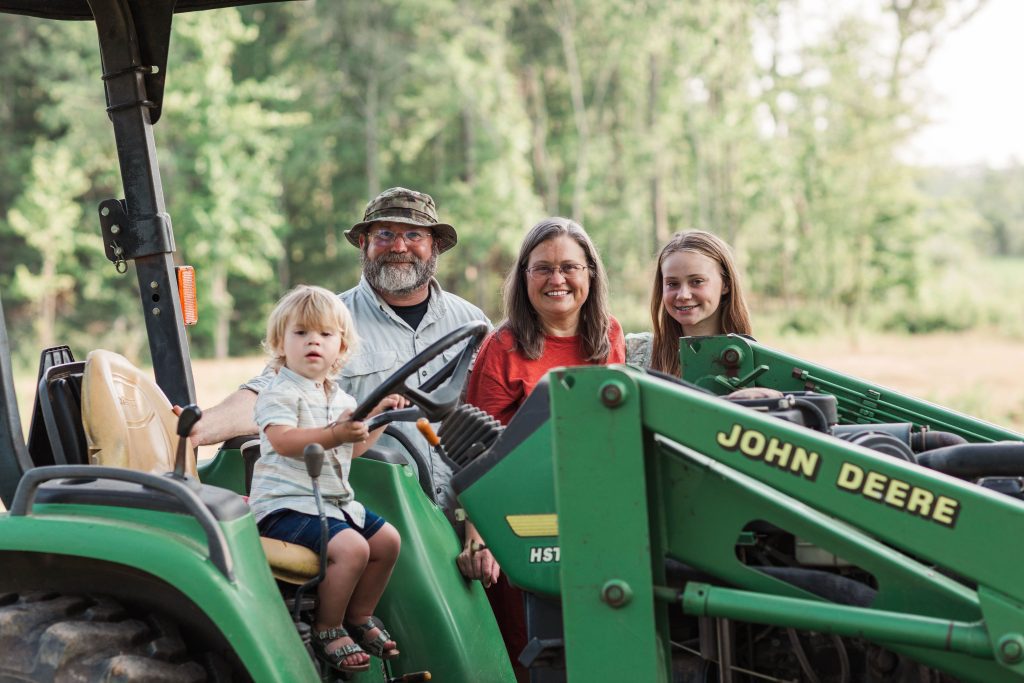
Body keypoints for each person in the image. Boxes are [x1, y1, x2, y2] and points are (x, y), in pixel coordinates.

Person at [187, 187, 490, 515]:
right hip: (384, 510)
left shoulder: (472, 322)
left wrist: (483, 521)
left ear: (435, 246)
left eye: (414, 234)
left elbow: (498, 416)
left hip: (470, 509)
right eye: (385, 234)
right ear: (364, 243)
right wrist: (199, 429)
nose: (399, 246)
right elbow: (270, 392)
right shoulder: (328, 321)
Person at [460, 217, 625, 677]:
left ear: (590, 273)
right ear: (524, 277)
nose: (557, 279)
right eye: (543, 268)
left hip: (588, 512)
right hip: (521, 517)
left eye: (569, 267)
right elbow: (477, 450)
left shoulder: (608, 335)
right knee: (533, 646)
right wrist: (477, 534)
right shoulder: (505, 345)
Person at [251, 285, 406, 673]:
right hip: (284, 506)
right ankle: (327, 628)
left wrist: (378, 421)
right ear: (280, 343)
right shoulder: (278, 391)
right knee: (353, 549)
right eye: (301, 333)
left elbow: (350, 451)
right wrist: (335, 433)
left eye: (325, 334)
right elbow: (283, 441)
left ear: (341, 347)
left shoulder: (341, 400)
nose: (313, 342)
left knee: (387, 541)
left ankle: (358, 615)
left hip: (334, 503)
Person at [626, 230, 752, 376]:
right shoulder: (634, 354)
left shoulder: (757, 360)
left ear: (726, 284)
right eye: (672, 284)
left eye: (697, 281)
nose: (683, 295)